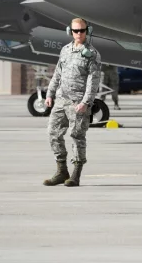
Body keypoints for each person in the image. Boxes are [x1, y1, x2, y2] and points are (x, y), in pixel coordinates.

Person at [43, 17, 102, 187]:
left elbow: (93, 81)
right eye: (75, 30)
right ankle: (61, 171)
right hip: (61, 100)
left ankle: (75, 174)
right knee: (53, 133)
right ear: (70, 31)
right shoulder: (65, 50)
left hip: (78, 102)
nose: (78, 34)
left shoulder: (92, 54)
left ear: (87, 31)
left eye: (82, 30)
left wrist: (86, 102)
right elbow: (57, 74)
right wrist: (50, 93)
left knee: (76, 136)